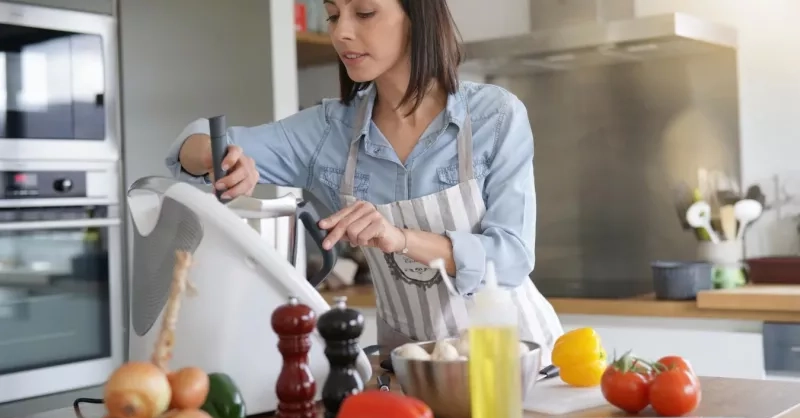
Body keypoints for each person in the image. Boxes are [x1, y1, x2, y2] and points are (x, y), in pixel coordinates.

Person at [164, 0, 564, 363]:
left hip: (516, 366)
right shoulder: (327, 132)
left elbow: (511, 258)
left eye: (364, 13)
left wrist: (401, 238)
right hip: (413, 375)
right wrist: (223, 158)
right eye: (334, 14)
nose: (341, 32)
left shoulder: (495, 116)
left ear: (417, 15)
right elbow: (190, 145)